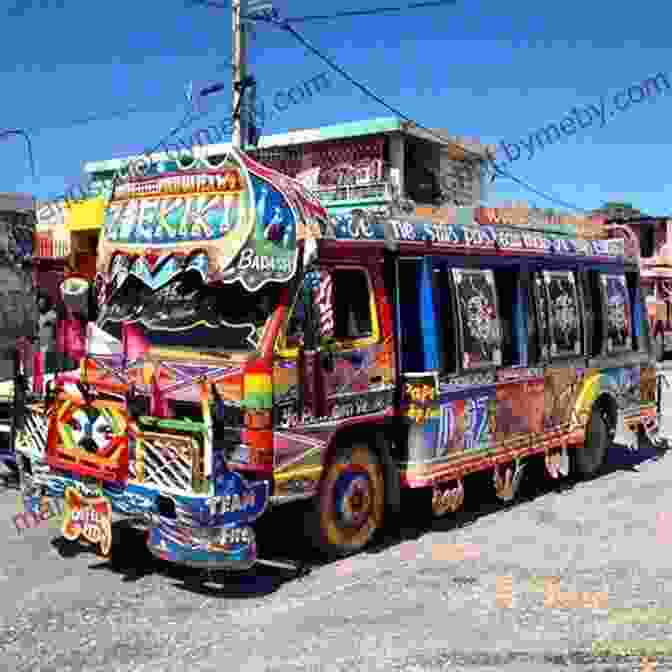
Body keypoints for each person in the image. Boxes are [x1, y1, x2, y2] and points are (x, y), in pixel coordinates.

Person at [37, 292, 58, 374]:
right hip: (40, 343)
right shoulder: (38, 315)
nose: (41, 305)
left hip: (49, 343)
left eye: (42, 303)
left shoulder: (52, 314)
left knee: (48, 366)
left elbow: (52, 322)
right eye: (39, 303)